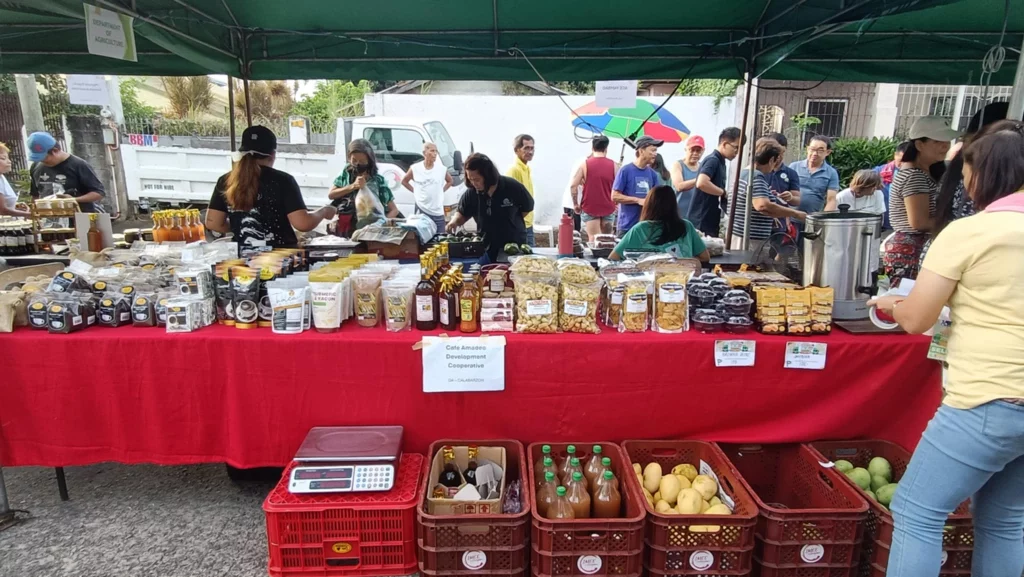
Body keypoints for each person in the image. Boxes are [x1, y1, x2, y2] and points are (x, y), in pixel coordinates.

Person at [868, 119, 1024, 577]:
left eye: (969, 174)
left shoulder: (969, 233)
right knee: (1006, 521)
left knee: (917, 511)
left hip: (987, 398)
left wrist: (892, 304)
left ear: (985, 175)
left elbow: (917, 319)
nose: (966, 184)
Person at [207, 126, 336, 249]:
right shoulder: (283, 181)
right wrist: (323, 211)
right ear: (273, 154)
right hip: (280, 260)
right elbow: (303, 223)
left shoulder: (226, 181)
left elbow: (213, 223)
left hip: (242, 259)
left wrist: (239, 225)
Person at [883, 116, 958, 285]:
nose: (945, 146)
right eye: (938, 141)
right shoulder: (914, 175)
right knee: (905, 304)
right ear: (919, 145)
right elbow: (919, 222)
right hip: (910, 250)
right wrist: (956, 224)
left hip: (913, 248)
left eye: (947, 141)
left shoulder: (923, 172)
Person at [447, 153, 534, 264]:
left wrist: (510, 221)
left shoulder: (512, 187)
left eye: (477, 179)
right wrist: (454, 222)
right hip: (486, 246)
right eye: (470, 179)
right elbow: (462, 213)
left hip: (513, 247)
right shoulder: (472, 193)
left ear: (488, 175)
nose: (474, 183)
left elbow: (527, 208)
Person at [730, 138, 807, 249]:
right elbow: (762, 205)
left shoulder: (744, 173)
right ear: (771, 160)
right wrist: (796, 214)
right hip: (750, 241)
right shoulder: (756, 176)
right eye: (775, 162)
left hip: (741, 236)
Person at [610, 185, 709, 262]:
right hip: (681, 282)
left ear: (649, 205)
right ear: (674, 205)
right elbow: (705, 257)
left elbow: (614, 257)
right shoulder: (686, 226)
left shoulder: (641, 229)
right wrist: (683, 263)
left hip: (648, 283)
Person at [329, 139, 399, 236]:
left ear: (369, 161)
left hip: (371, 233)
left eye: (362, 161)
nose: (357, 164)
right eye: (354, 160)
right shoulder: (346, 173)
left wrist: (381, 224)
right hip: (347, 231)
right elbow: (331, 194)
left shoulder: (378, 181)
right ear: (349, 158)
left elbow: (394, 210)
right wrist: (353, 186)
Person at [27, 131, 106, 213]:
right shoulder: (36, 167)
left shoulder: (78, 165)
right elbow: (35, 195)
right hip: (49, 220)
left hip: (78, 218)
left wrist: (72, 200)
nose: (41, 161)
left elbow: (99, 193)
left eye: (44, 158)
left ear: (55, 150)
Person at [689, 127, 743, 238]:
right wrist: (722, 192)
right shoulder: (713, 160)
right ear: (724, 144)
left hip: (710, 217)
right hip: (701, 219)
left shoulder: (721, 162)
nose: (737, 152)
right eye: (735, 147)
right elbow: (702, 183)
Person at [612, 136, 662, 236]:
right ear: (641, 150)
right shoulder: (625, 170)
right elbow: (614, 196)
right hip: (627, 227)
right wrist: (638, 200)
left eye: (656, 151)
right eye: (652, 150)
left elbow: (657, 198)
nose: (655, 154)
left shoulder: (653, 174)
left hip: (646, 226)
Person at [571, 135, 617, 240]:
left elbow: (573, 185)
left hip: (590, 206)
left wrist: (575, 204)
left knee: (593, 238)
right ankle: (606, 256)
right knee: (607, 239)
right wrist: (617, 202)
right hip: (608, 206)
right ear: (606, 149)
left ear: (592, 148)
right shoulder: (614, 165)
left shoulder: (584, 165)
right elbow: (619, 187)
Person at [401, 142, 452, 235]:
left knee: (440, 238)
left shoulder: (441, 169)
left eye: (436, 151)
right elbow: (404, 181)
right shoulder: (415, 168)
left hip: (437, 211)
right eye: (432, 151)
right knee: (422, 239)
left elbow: (450, 181)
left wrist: (441, 191)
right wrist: (415, 191)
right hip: (421, 209)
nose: (435, 153)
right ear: (424, 153)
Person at [790, 135, 840, 216]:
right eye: (812, 149)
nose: (815, 153)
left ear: (827, 152)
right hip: (789, 218)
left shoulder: (831, 173)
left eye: (820, 150)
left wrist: (823, 219)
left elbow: (831, 200)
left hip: (812, 219)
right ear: (807, 149)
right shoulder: (794, 167)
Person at [505, 134, 536, 246]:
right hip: (520, 226)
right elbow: (509, 202)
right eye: (526, 148)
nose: (530, 151)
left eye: (532, 148)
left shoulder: (526, 168)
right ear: (517, 150)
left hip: (528, 223)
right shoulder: (514, 170)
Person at [874, 141, 911, 229]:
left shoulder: (918, 175)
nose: (903, 164)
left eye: (907, 161)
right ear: (895, 155)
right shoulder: (881, 171)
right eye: (901, 160)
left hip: (905, 224)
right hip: (883, 223)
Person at [669, 134, 704, 221]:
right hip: (678, 215)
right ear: (686, 149)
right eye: (692, 150)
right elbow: (679, 186)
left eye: (698, 151)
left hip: (696, 216)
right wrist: (700, 180)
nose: (695, 153)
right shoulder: (678, 165)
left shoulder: (702, 167)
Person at [765, 132, 801, 208]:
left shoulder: (791, 173)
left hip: (780, 217)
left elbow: (797, 200)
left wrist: (790, 197)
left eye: (782, 152)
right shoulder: (759, 171)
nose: (779, 156)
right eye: (776, 152)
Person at [0, 142, 31, 217]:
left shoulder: (1, 177)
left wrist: (16, 205)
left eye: (8, 158)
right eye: (3, 158)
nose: (9, 161)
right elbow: (2, 210)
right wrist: (30, 215)